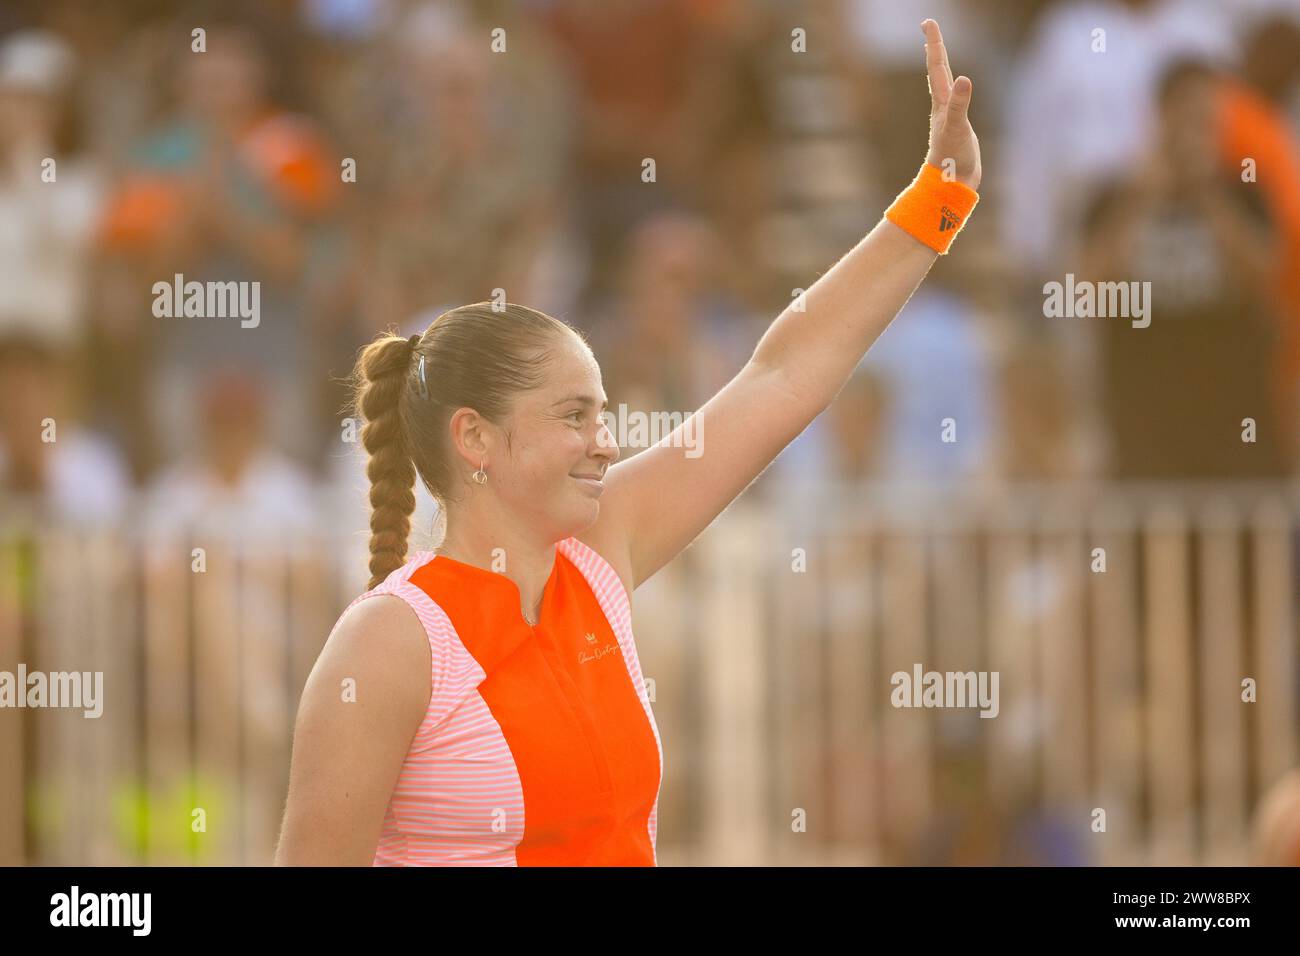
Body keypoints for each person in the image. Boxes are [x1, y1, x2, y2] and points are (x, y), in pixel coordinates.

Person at [274, 18, 982, 866]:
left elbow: (781, 374)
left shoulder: (600, 552)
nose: (604, 444)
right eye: (573, 416)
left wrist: (940, 199)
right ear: (475, 439)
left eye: (602, 415)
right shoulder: (388, 643)